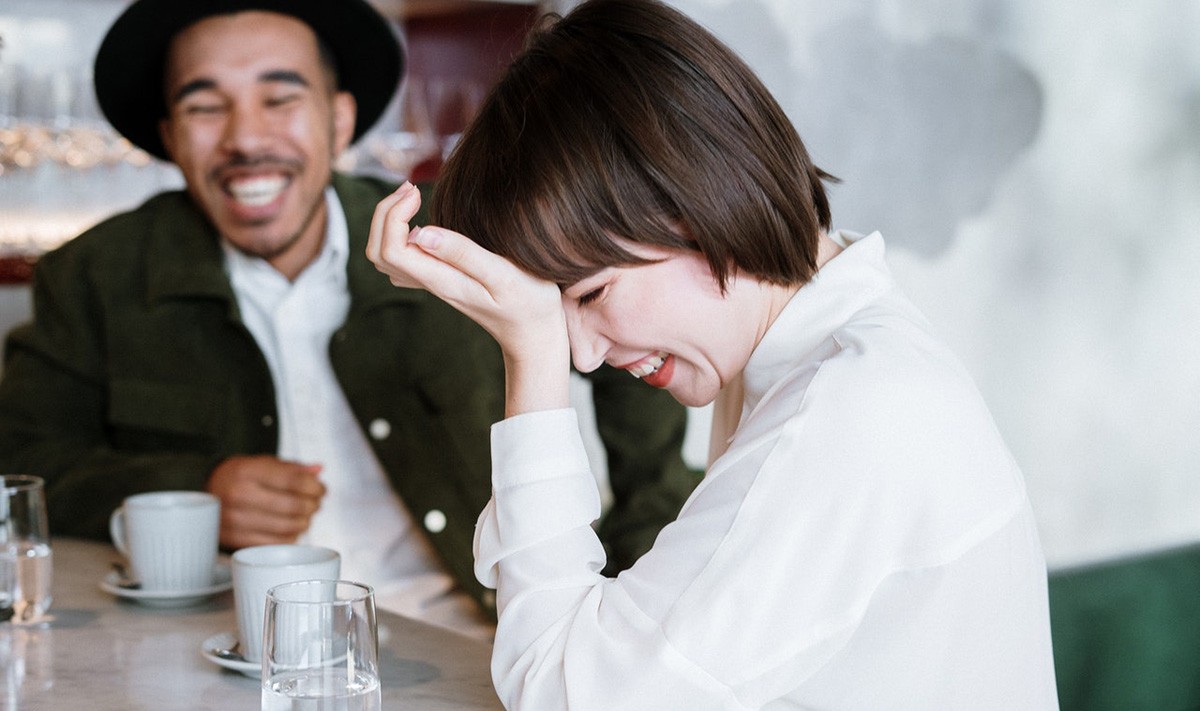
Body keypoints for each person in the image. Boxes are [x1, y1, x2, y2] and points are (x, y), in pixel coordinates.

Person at [368, 0, 1061, 706]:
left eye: (592, 293)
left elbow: (562, 692)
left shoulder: (847, 414)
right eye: (556, 311)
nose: (581, 354)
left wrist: (531, 352)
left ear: (693, 204)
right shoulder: (821, 357)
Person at [0, 0, 696, 638]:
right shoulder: (93, 275)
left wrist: (635, 593)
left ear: (338, 120)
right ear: (169, 136)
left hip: (477, 645)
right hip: (223, 661)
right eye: (206, 107)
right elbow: (23, 471)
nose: (247, 139)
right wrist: (196, 485)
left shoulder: (462, 234)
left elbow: (628, 361)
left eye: (280, 98)